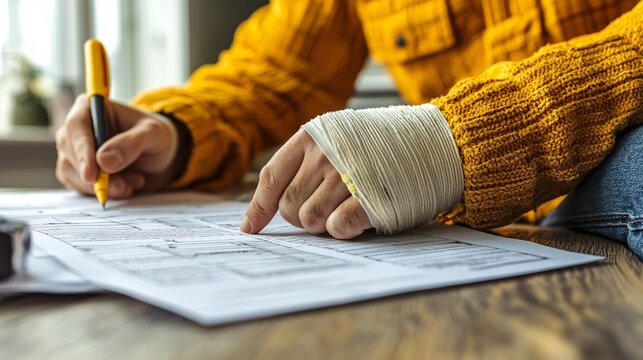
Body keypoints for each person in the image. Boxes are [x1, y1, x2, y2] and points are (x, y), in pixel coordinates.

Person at [55, 0, 643, 259]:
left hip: (614, 155)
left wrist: (456, 141)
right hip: (478, 227)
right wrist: (175, 131)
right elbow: (280, 72)